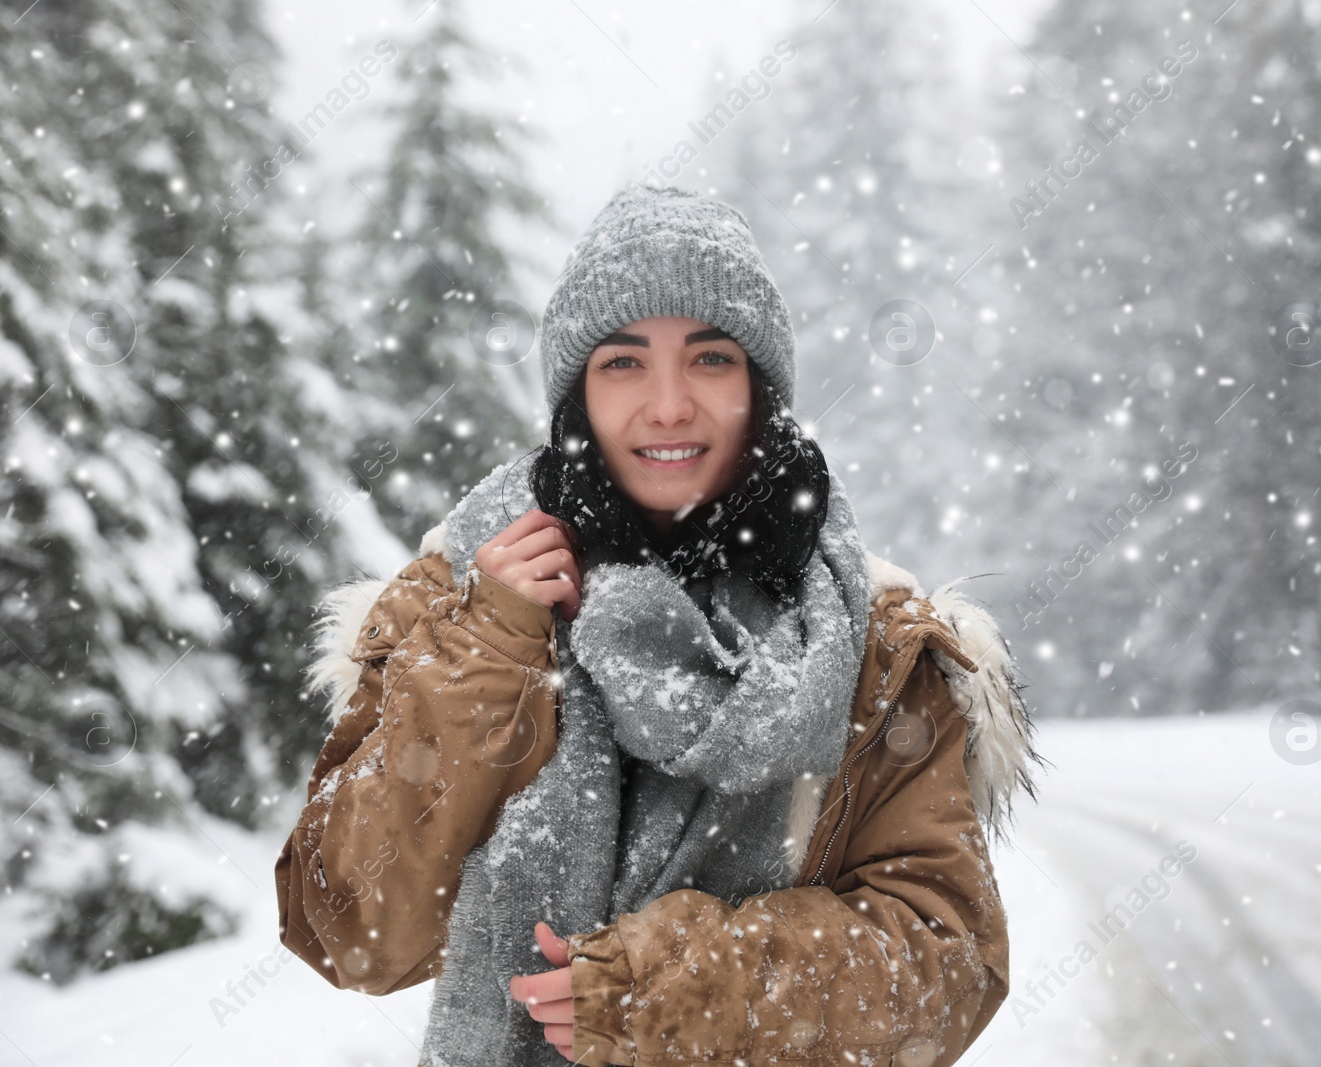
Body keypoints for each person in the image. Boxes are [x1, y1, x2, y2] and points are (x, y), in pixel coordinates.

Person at [274, 183, 1042, 1067]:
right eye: (625, 362)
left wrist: (687, 991)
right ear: (577, 397)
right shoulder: (460, 601)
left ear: (759, 388)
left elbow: (948, 961)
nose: (670, 404)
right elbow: (350, 931)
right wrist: (489, 654)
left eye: (711, 359)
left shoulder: (873, 645)